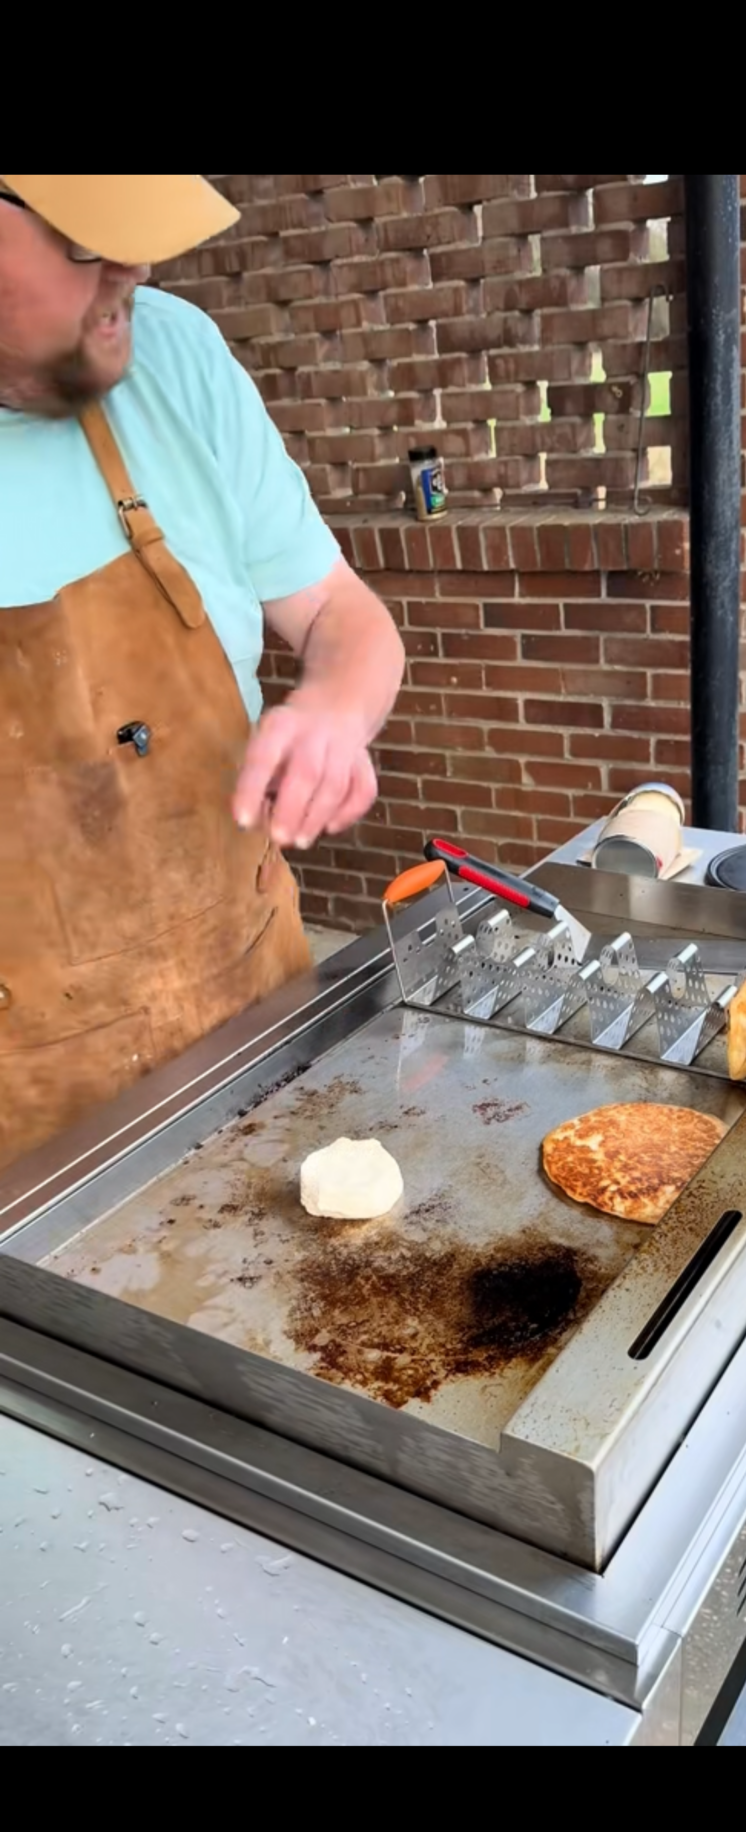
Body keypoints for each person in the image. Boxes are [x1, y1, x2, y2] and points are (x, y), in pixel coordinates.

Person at [0, 175, 405, 1173]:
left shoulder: (175, 354)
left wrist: (332, 708)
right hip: (30, 1128)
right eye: (89, 245)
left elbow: (338, 612)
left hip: (256, 1015)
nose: (134, 270)